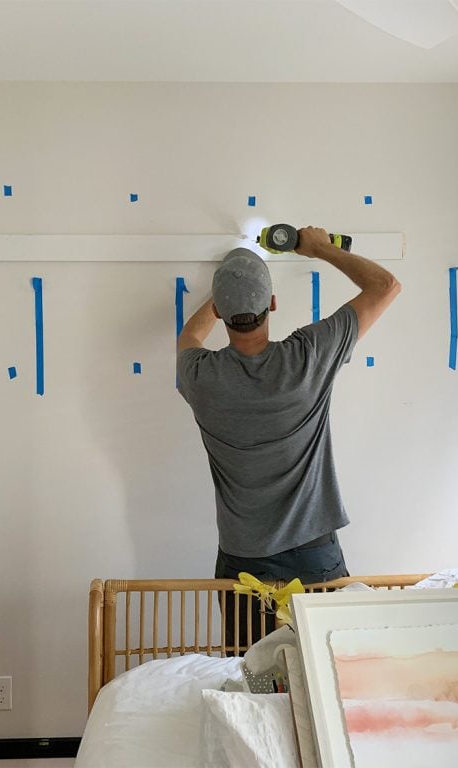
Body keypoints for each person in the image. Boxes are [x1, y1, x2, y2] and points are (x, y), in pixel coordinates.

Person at [176, 226, 401, 649]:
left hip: (243, 556)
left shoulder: (199, 375)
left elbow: (188, 338)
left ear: (221, 314)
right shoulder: (308, 356)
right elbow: (385, 286)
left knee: (251, 672)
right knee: (328, 666)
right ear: (273, 304)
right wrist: (319, 248)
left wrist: (230, 294)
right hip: (313, 550)